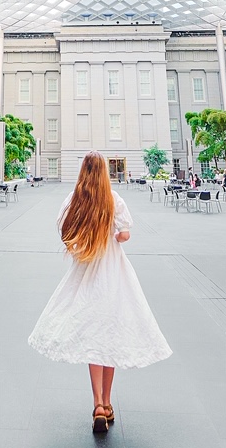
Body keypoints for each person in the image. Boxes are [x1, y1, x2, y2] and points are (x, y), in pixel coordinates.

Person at [28, 152, 172, 433]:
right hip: (113, 272)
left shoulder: (75, 198)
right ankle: (107, 403)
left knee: (94, 335)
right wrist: (116, 235)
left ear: (83, 171)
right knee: (111, 334)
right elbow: (125, 234)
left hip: (87, 271)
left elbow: (65, 231)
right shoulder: (113, 199)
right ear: (104, 171)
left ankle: (96, 405)